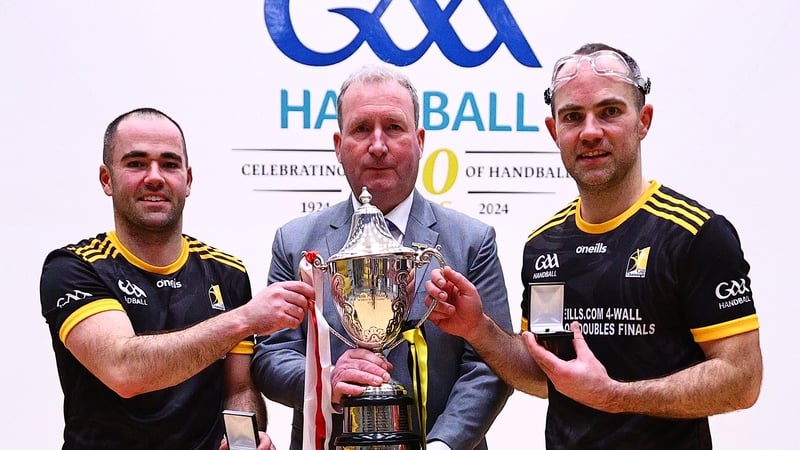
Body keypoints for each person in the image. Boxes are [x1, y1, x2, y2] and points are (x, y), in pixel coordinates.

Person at [424, 43, 763, 449]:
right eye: (572, 117)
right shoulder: (545, 246)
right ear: (554, 131)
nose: (590, 132)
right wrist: (478, 328)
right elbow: (546, 372)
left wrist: (615, 396)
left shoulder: (696, 235)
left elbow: (742, 379)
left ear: (643, 120)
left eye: (610, 112)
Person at [250, 64, 514, 450]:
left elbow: (490, 364)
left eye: (393, 127)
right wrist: (324, 380)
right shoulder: (295, 243)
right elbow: (272, 355)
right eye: (361, 129)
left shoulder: (472, 242)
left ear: (419, 141)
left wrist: (442, 446)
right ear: (338, 144)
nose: (377, 145)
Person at [39, 107, 314, 450]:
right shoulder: (74, 267)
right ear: (106, 179)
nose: (155, 177)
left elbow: (239, 388)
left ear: (188, 180)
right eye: (136, 163)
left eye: (169, 164)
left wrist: (242, 440)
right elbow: (124, 370)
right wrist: (244, 319)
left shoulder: (226, 271)